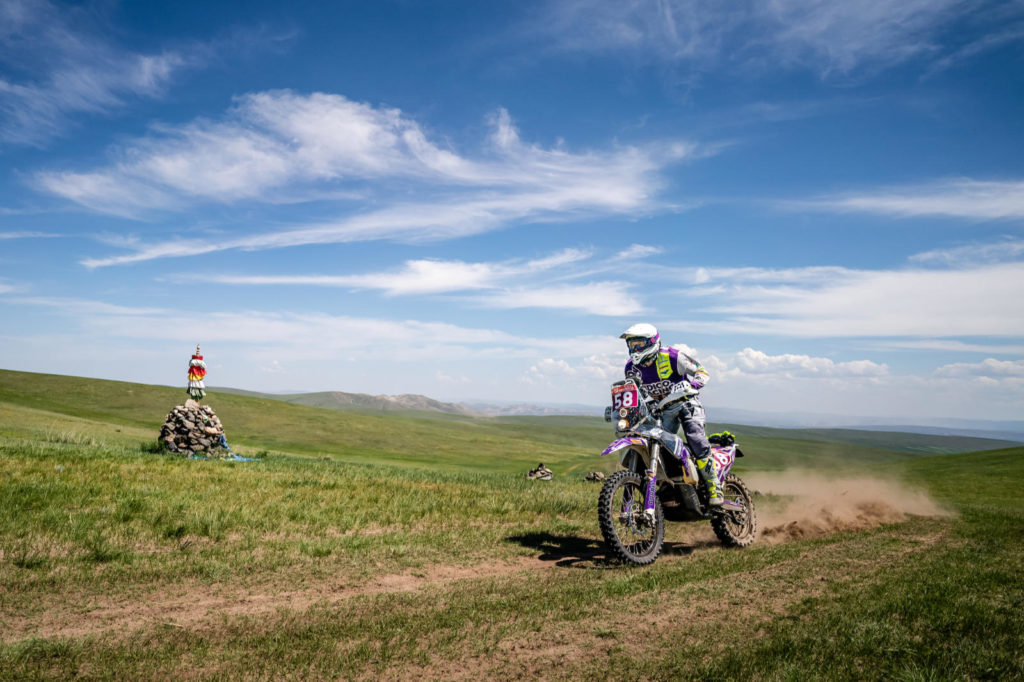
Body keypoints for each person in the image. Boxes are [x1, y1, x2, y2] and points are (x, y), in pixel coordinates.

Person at [619, 323, 722, 506]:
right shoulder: (631, 368)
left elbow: (702, 371)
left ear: (652, 342)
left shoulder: (673, 357)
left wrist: (693, 386)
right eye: (631, 345)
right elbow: (635, 394)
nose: (634, 349)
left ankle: (714, 486)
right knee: (656, 445)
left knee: (695, 437)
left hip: (686, 403)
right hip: (662, 409)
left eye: (639, 344)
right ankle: (669, 487)